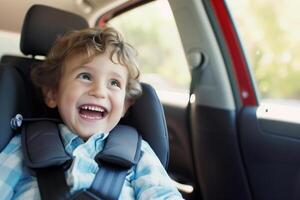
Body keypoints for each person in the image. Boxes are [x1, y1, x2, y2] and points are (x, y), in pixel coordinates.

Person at [0, 26, 183, 199]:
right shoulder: (26, 146)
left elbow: (163, 194)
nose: (99, 92)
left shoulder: (139, 152)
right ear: (53, 93)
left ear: (125, 105)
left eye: (114, 83)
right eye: (85, 76)